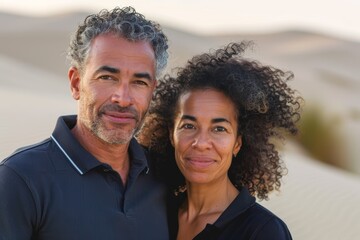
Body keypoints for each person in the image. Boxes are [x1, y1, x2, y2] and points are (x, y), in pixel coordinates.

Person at [0, 6, 170, 239]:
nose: (123, 98)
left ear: (152, 91)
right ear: (76, 83)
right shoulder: (20, 178)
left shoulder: (165, 175)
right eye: (107, 78)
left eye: (139, 82)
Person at [138, 42, 302, 239]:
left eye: (219, 129)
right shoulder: (154, 213)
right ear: (171, 134)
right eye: (189, 126)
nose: (201, 142)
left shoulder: (262, 231)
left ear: (238, 143)